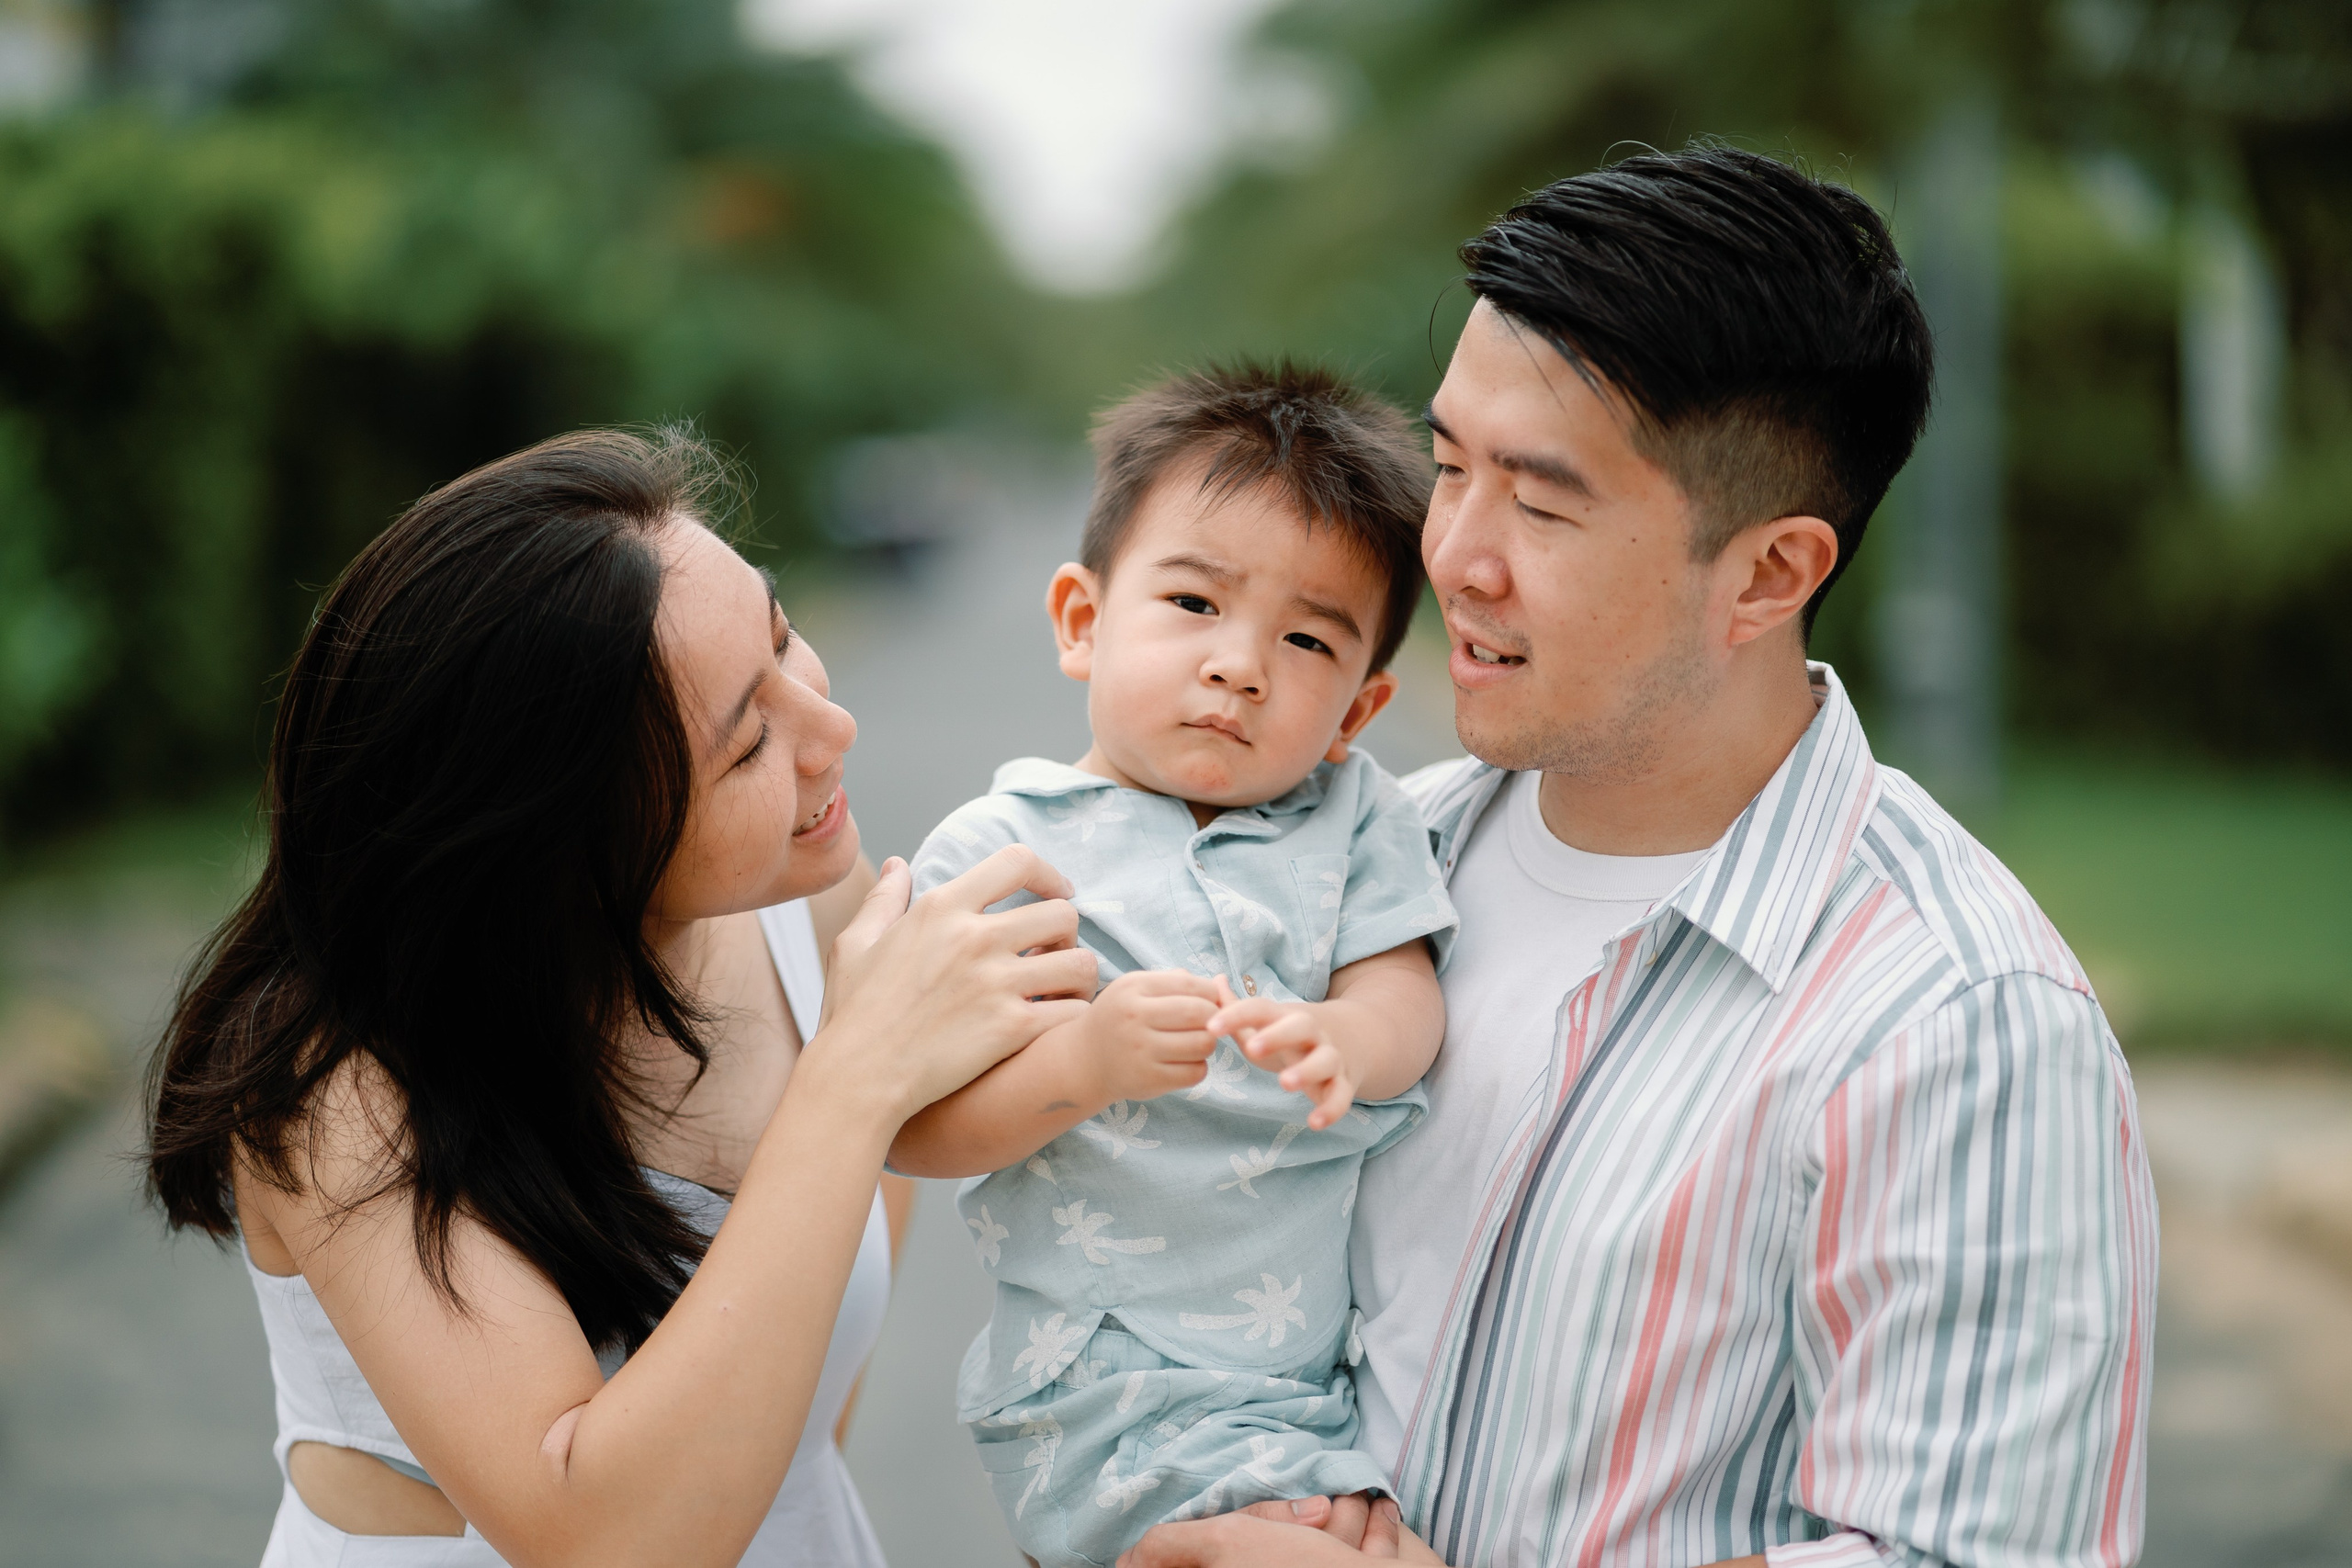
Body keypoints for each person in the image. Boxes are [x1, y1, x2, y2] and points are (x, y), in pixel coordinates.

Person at [1121, 146, 2156, 1568]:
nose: (1456, 556)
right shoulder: (1356, 857)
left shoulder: (1953, 1017)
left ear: (1772, 572)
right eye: (1447, 467)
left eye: (1541, 504)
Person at [144, 429, 1101, 1568]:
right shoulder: (338, 1081)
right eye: (748, 745)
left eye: (786, 638)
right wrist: (855, 1082)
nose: (830, 730)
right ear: (552, 841)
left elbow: (799, 1406)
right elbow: (606, 1539)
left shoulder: (815, 908)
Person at [889, 365, 1458, 1567]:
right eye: (1196, 604)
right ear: (1084, 620)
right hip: (1106, 1386)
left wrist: (1351, 1037)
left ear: (1359, 710)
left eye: (1309, 638)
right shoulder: (1007, 854)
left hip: (1316, 1392)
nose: (1242, 663)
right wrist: (1084, 1059)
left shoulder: (1358, 817)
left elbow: (1403, 989)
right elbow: (920, 1128)